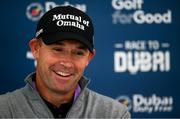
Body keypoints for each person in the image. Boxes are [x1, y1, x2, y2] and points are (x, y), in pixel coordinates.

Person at [0, 6, 130, 118]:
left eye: (79, 53)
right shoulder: (4, 110)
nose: (67, 63)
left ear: (89, 58)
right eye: (57, 49)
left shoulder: (114, 114)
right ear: (36, 48)